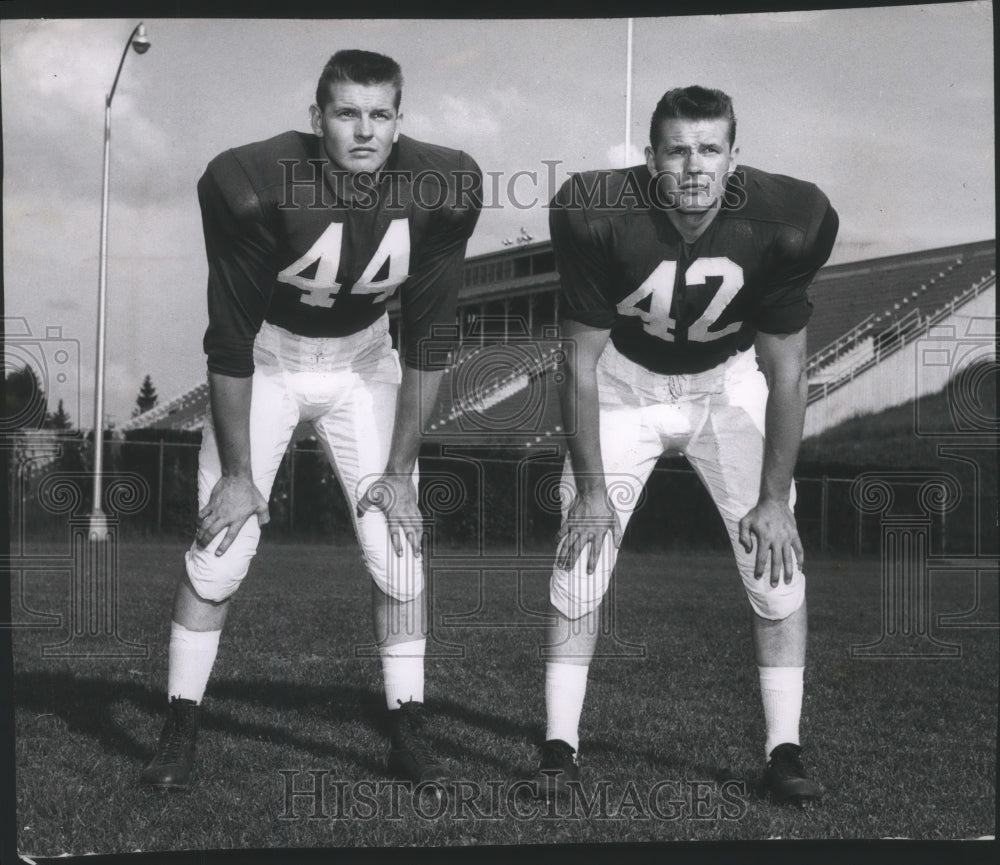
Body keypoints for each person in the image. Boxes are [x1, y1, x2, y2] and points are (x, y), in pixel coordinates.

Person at [140, 49, 482, 789]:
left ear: (400, 119)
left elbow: (430, 338)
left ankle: (407, 724)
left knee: (398, 547)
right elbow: (227, 340)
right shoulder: (253, 183)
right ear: (316, 117)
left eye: (380, 114)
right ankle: (179, 723)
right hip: (270, 356)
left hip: (364, 359)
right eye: (346, 113)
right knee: (221, 546)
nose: (364, 130)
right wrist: (236, 475)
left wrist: (398, 472)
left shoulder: (442, 187)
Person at [534, 86, 838, 806]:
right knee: (581, 558)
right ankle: (557, 747)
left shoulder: (788, 220)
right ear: (650, 158)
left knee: (775, 564)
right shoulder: (597, 212)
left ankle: (784, 751)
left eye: (709, 149)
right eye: (677, 149)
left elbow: (788, 367)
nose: (693, 166)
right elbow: (576, 361)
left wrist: (773, 499)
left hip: (726, 387)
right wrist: (590, 489)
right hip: (622, 384)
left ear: (735, 159)